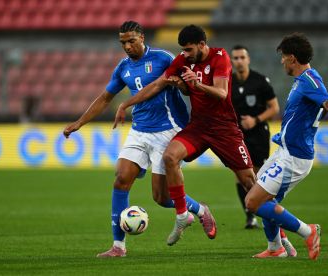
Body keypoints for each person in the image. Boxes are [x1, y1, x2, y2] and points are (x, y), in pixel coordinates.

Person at [62, 21, 216, 258]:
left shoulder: (164, 58)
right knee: (121, 179)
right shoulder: (123, 67)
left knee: (162, 198)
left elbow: (189, 85)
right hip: (139, 131)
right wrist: (79, 123)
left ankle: (199, 209)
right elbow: (105, 98)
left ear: (142, 38)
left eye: (131, 40)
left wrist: (182, 84)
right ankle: (118, 247)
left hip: (168, 130)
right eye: (123, 42)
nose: (127, 46)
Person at [113, 25, 257, 246]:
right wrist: (126, 103)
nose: (185, 54)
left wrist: (195, 83)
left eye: (189, 50)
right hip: (198, 126)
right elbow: (158, 84)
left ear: (202, 45)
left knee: (250, 182)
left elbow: (221, 93)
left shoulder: (220, 57)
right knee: (170, 158)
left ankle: (280, 238)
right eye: (183, 50)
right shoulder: (182, 59)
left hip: (224, 129)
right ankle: (182, 215)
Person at [244, 33, 328, 260]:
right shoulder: (303, 81)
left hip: (294, 157)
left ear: (292, 58)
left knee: (253, 202)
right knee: (262, 196)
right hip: (285, 150)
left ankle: (307, 231)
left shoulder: (311, 81)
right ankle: (276, 248)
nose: (281, 61)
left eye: (283, 57)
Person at [230, 45, 280, 229]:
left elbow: (274, 108)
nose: (239, 61)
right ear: (232, 61)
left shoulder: (260, 81)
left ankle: (265, 212)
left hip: (258, 133)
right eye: (235, 58)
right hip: (236, 135)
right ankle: (250, 216)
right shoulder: (228, 82)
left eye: (242, 57)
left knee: (258, 175)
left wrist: (255, 119)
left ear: (248, 59)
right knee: (239, 175)